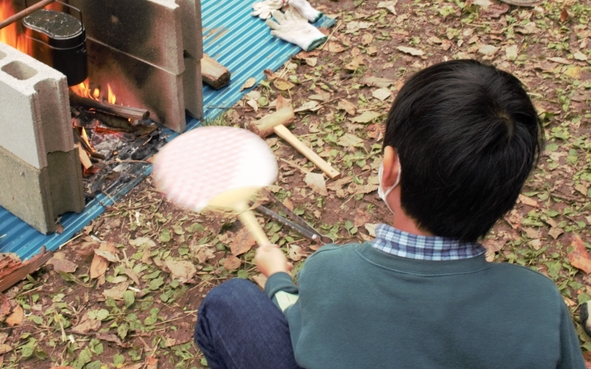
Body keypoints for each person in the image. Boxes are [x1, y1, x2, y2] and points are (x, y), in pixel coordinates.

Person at [194, 59, 586, 369]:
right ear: (507, 196)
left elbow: (297, 323)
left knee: (231, 300)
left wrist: (278, 277)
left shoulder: (330, 272)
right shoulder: (539, 303)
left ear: (389, 167)